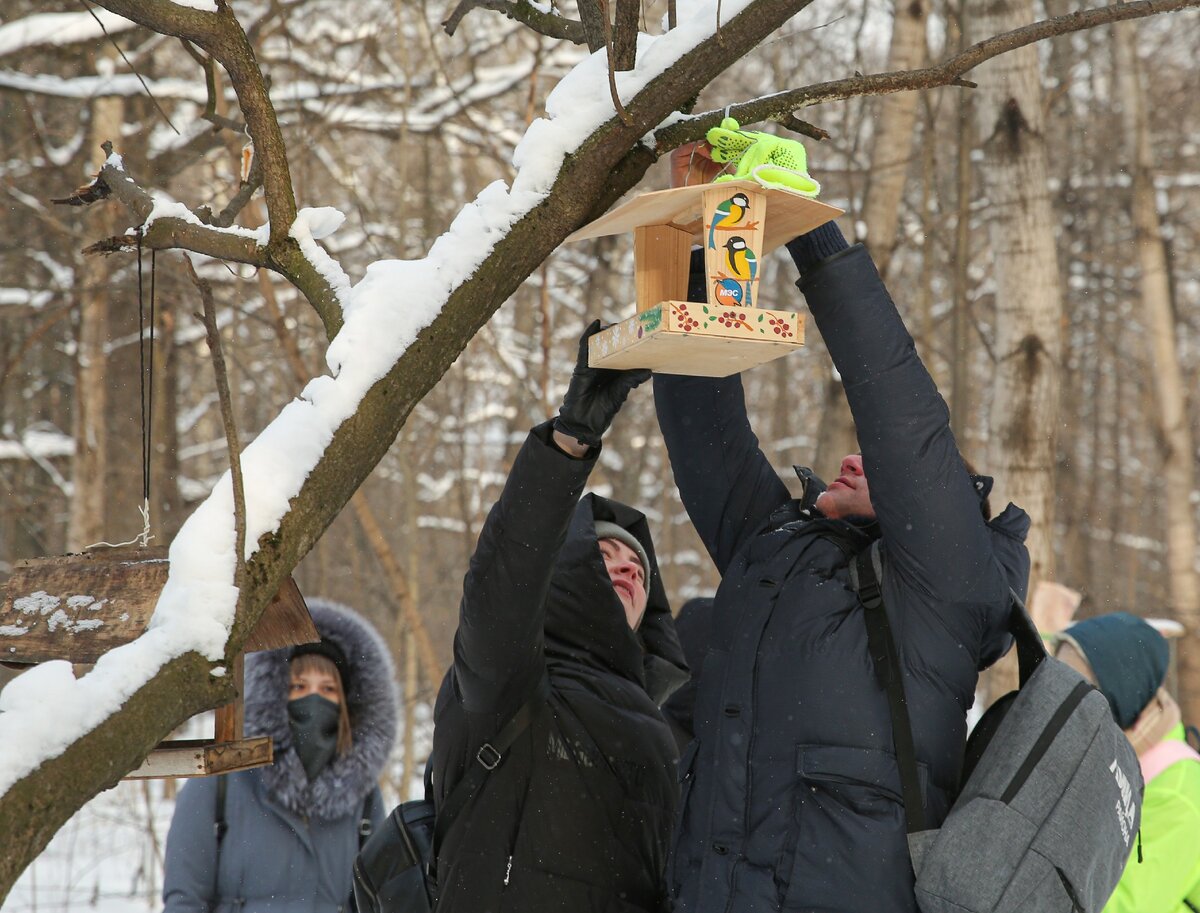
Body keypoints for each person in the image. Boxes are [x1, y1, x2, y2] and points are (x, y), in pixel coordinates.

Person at [654, 141, 1031, 913]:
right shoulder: (780, 550)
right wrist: (703, 247)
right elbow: (703, 429)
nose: (858, 459)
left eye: (891, 474)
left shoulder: (947, 589)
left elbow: (903, 421)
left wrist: (812, 235)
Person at [427, 325, 689, 913]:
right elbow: (504, 580)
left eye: (639, 570)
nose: (628, 571)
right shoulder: (507, 683)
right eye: (606, 555)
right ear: (566, 572)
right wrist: (568, 443)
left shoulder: (662, 722)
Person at [162, 599, 398, 913]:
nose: (313, 699)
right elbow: (185, 900)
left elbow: (376, 901)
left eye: (327, 689)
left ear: (348, 705)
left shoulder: (363, 797)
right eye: (299, 686)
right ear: (273, 693)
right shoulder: (219, 782)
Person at [1055, 612, 1200, 912]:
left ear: (1118, 695)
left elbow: (1121, 906)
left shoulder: (1180, 794)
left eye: (1077, 689)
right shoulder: (1101, 750)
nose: (1059, 703)